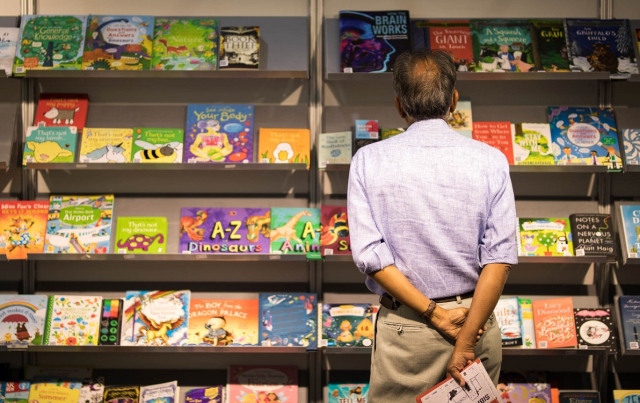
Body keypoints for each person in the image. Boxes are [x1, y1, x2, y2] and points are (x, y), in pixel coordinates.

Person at [347, 49, 517, 402]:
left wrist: (435, 315)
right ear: (454, 100)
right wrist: (466, 340)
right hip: (475, 322)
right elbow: (499, 259)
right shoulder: (491, 160)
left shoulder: (368, 160)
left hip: (407, 327)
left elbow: (370, 256)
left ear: (399, 105)